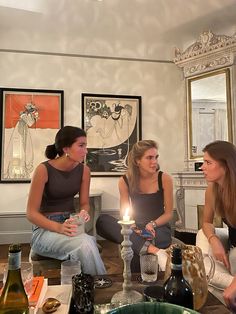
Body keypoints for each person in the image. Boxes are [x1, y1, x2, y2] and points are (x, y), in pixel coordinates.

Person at [26, 126, 106, 276]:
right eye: (81, 145)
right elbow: (31, 214)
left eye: (85, 146)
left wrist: (83, 212)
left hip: (70, 224)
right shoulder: (43, 170)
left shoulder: (84, 171)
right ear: (66, 149)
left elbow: (84, 203)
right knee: (86, 244)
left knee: (87, 243)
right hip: (44, 230)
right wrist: (59, 227)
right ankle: (99, 286)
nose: (86, 151)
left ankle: (83, 288)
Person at [96, 139, 175, 272]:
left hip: (158, 227)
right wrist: (133, 227)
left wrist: (152, 224)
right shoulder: (125, 181)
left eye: (156, 157)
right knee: (102, 221)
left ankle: (143, 247)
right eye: (149, 158)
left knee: (134, 248)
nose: (154, 161)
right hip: (135, 226)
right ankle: (154, 250)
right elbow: (124, 212)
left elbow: (168, 214)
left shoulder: (165, 179)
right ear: (137, 161)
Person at [197, 140, 236, 312]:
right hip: (230, 239)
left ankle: (217, 283)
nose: (202, 167)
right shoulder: (212, 189)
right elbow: (206, 222)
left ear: (226, 165)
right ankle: (225, 282)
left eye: (208, 162)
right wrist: (214, 240)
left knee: (234, 257)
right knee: (201, 234)